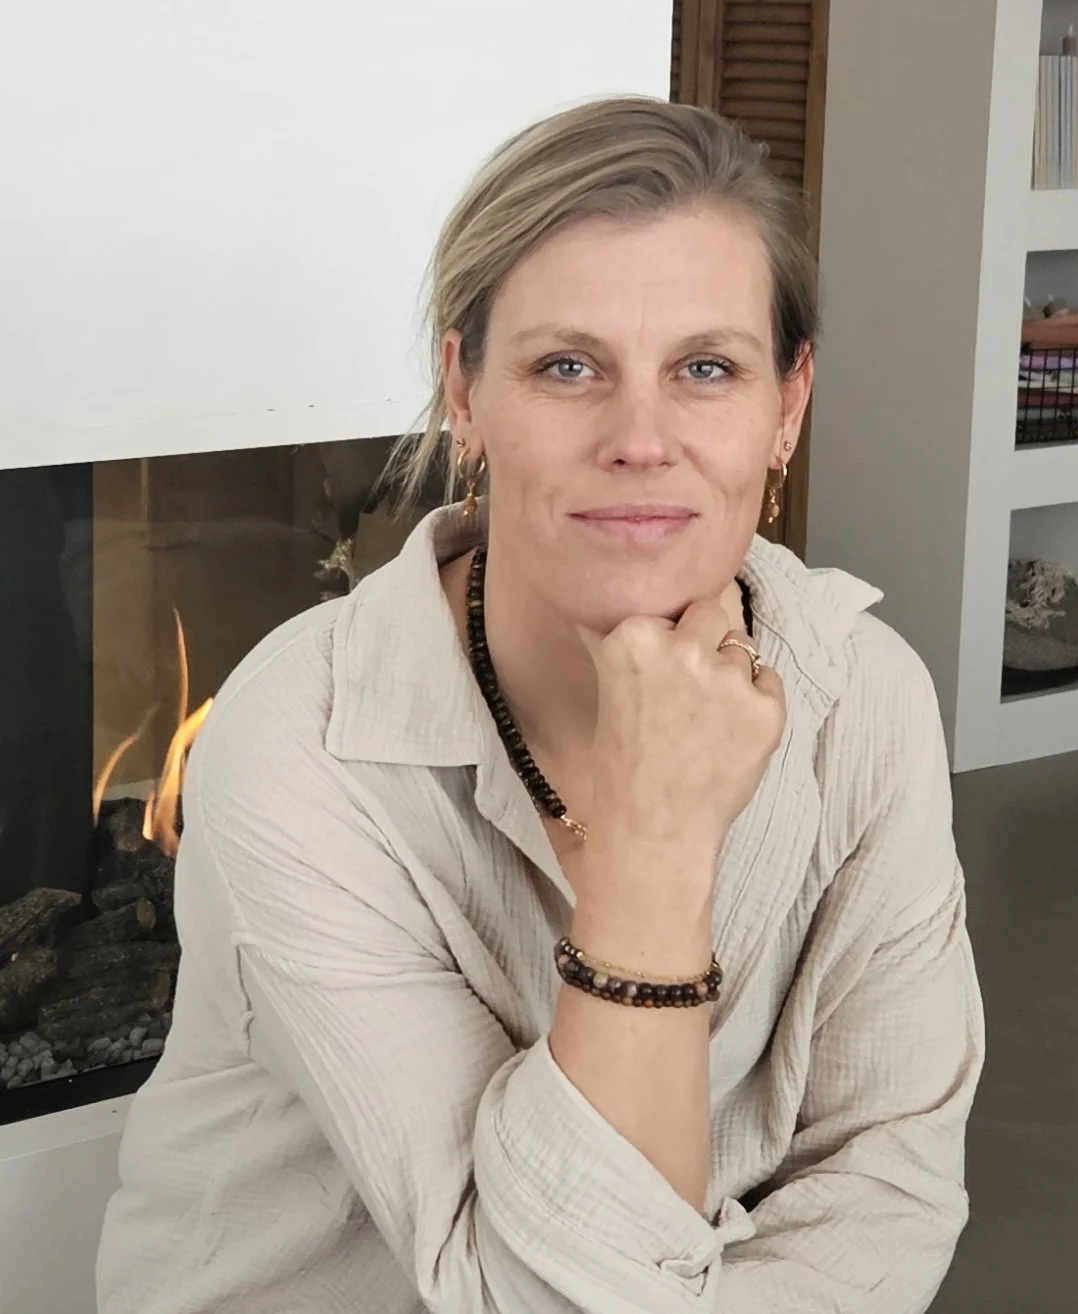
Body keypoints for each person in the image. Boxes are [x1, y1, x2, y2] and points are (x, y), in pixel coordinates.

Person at [96, 96, 984, 1314]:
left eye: (707, 369)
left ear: (786, 407)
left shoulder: (867, 700)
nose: (640, 439)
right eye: (568, 367)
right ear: (462, 391)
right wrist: (655, 847)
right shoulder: (300, 744)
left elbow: (888, 1184)